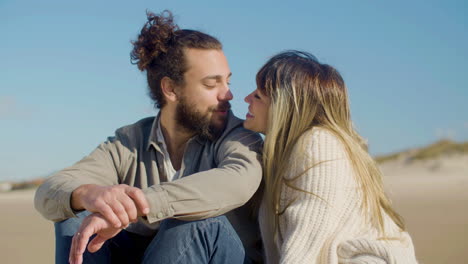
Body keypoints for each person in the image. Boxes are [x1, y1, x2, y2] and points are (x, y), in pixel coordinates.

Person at [34, 10, 263, 264]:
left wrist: (138, 207)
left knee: (195, 222)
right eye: (212, 84)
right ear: (171, 89)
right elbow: (49, 191)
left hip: (224, 255)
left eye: (227, 82)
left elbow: (238, 181)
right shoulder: (129, 141)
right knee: (76, 218)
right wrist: (88, 194)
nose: (228, 95)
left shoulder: (239, 136)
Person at [244, 50, 418, 263]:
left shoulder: (318, 144)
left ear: (285, 107)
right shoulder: (284, 154)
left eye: (258, 96)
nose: (246, 98)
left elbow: (306, 245)